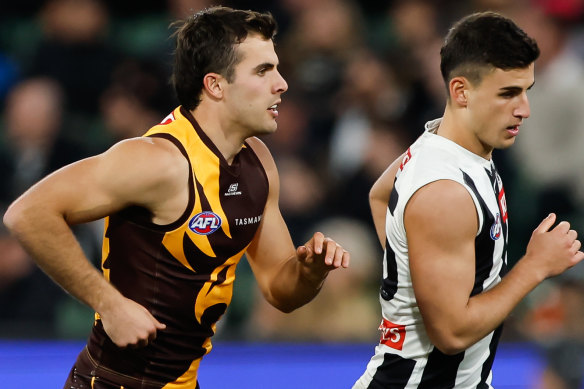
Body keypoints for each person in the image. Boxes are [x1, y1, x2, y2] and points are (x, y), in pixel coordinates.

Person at [3, 6, 350, 389]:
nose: (282, 83)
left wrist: (311, 270)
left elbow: (280, 291)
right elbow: (27, 214)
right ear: (216, 85)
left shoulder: (259, 162)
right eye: (263, 70)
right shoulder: (157, 160)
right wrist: (109, 303)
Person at [352, 11, 584, 388]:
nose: (524, 108)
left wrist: (411, 272)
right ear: (461, 92)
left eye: (527, 90)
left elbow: (380, 196)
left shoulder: (446, 145)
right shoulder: (445, 190)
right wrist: (535, 266)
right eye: (507, 93)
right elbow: (452, 334)